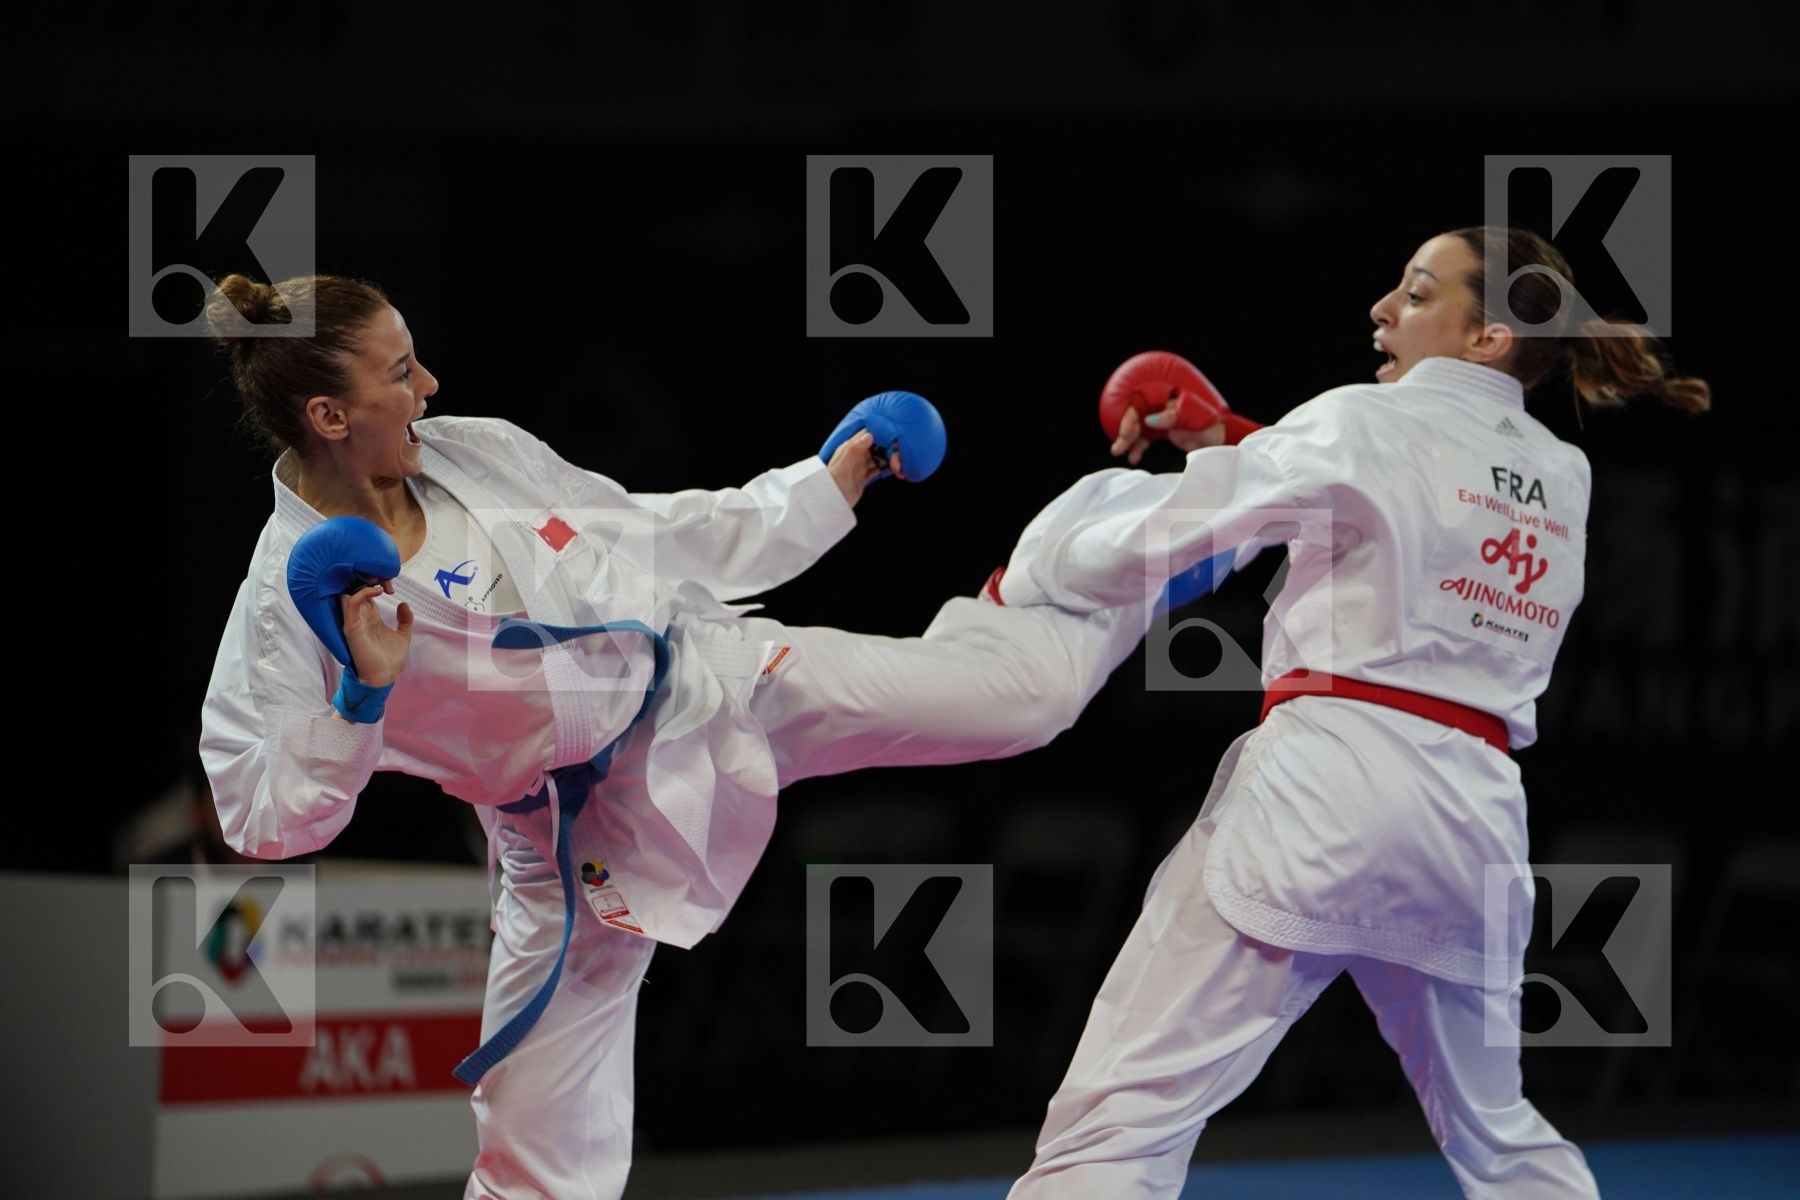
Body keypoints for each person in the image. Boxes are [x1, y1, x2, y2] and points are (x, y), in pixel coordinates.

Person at [197, 273, 1152, 1200]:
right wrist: (361, 699)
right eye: (402, 372)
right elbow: (264, 820)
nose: (429, 386)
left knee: (1024, 703)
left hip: (709, 684)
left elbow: (639, 531)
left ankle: (1113, 554)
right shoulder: (288, 602)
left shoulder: (472, 453)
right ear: (330, 415)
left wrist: (818, 488)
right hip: (569, 841)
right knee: (539, 1163)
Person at [997, 226, 1710, 1199]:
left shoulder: (1357, 421)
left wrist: (1035, 571)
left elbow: (1169, 536)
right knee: (1497, 1133)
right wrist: (1242, 439)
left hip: (1324, 793)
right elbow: (1416, 511)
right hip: (1470, 823)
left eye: (1416, 293)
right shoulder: (1560, 473)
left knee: (1123, 1119)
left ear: (1488, 335)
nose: (1382, 309)